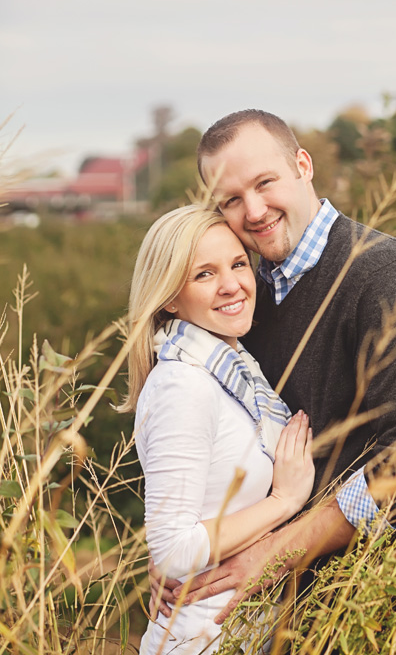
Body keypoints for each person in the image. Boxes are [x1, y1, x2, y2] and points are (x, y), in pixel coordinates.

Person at [151, 107, 396, 639]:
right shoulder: (245, 296)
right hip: (254, 620)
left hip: (357, 614)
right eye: (230, 199)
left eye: (264, 183)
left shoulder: (385, 274)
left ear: (303, 164)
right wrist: (180, 550)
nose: (253, 210)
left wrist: (277, 552)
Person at [127, 200, 316, 655]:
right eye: (204, 274)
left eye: (237, 264)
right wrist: (284, 500)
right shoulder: (183, 385)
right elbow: (174, 550)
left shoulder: (234, 372)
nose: (232, 285)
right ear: (170, 296)